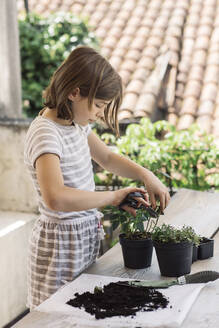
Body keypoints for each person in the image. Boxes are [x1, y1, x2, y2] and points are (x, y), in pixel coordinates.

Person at [24, 45, 170, 309]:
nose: (101, 113)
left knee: (83, 311)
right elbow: (56, 198)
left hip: (82, 237)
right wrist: (114, 197)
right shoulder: (46, 133)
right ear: (74, 92)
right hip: (60, 246)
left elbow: (107, 158)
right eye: (100, 105)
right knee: (54, 316)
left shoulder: (76, 125)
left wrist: (145, 174)